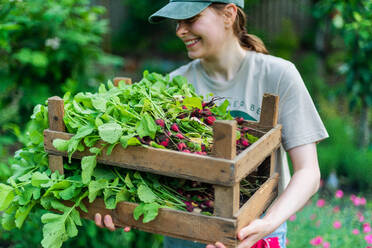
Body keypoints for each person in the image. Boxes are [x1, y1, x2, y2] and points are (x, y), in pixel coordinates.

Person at [94, 1, 329, 247]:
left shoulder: (277, 75)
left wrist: (268, 224)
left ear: (228, 14)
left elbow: (308, 173)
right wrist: (121, 202)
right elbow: (152, 172)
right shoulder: (170, 86)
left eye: (190, 19)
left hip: (254, 232)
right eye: (177, 22)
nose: (180, 31)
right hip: (183, 235)